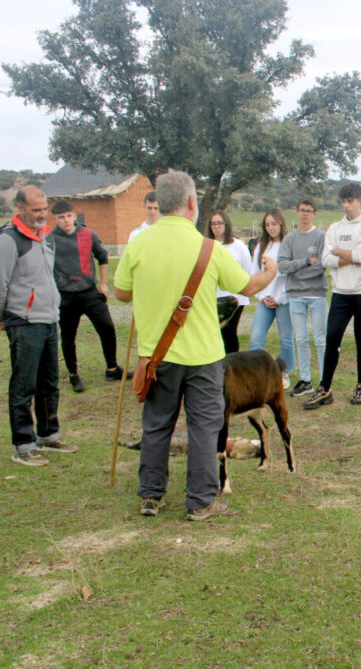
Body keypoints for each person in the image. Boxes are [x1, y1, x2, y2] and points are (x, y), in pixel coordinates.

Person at [114, 170, 276, 520]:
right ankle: (200, 501)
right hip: (204, 356)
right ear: (191, 203)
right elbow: (248, 288)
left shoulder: (138, 243)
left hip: (157, 355)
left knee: (157, 425)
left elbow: (121, 292)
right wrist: (272, 272)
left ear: (161, 202)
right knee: (205, 428)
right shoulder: (210, 249)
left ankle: (151, 496)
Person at [0, 186, 77, 467]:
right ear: (20, 208)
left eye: (43, 209)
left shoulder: (44, 237)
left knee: (49, 382)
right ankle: (23, 445)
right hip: (24, 322)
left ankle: (48, 435)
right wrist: (3, 316)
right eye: (35, 209)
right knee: (23, 384)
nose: (41, 214)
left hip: (48, 320)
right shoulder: (8, 240)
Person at [302, 183, 361, 409]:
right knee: (332, 338)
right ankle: (325, 388)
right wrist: (346, 256)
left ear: (360, 202)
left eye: (350, 201)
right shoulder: (334, 228)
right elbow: (326, 259)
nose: (346, 206)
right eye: (343, 202)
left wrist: (340, 253)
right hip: (340, 293)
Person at [49, 201, 126, 393]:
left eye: (68, 215)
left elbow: (102, 257)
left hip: (90, 292)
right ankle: (74, 375)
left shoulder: (88, 234)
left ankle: (112, 368)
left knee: (107, 328)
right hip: (65, 296)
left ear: (74, 216)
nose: (66, 220)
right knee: (68, 337)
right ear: (55, 219)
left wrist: (103, 283)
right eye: (61, 217)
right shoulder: (50, 239)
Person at [277, 198, 327, 397]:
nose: (305, 214)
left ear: (314, 214)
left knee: (320, 340)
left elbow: (322, 265)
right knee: (302, 339)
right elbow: (282, 266)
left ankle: (324, 380)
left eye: (309, 210)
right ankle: (306, 380)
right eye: (302, 210)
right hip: (295, 295)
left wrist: (296, 269)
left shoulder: (321, 237)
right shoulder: (290, 239)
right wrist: (305, 262)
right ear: (296, 212)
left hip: (316, 294)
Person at [247, 209, 293, 390]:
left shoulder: (288, 244)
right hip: (264, 300)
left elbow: (291, 275)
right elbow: (254, 274)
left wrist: (281, 298)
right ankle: (255, 374)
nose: (271, 228)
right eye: (267, 224)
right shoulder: (261, 247)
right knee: (256, 339)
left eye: (274, 223)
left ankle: (284, 372)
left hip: (283, 300)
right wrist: (260, 296)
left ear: (281, 224)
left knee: (286, 339)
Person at [207, 211, 253, 353]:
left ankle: (232, 363)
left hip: (235, 298)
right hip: (214, 297)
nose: (216, 226)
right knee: (215, 334)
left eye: (220, 223)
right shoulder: (207, 246)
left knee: (229, 332)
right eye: (213, 223)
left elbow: (247, 270)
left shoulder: (238, 246)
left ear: (226, 224)